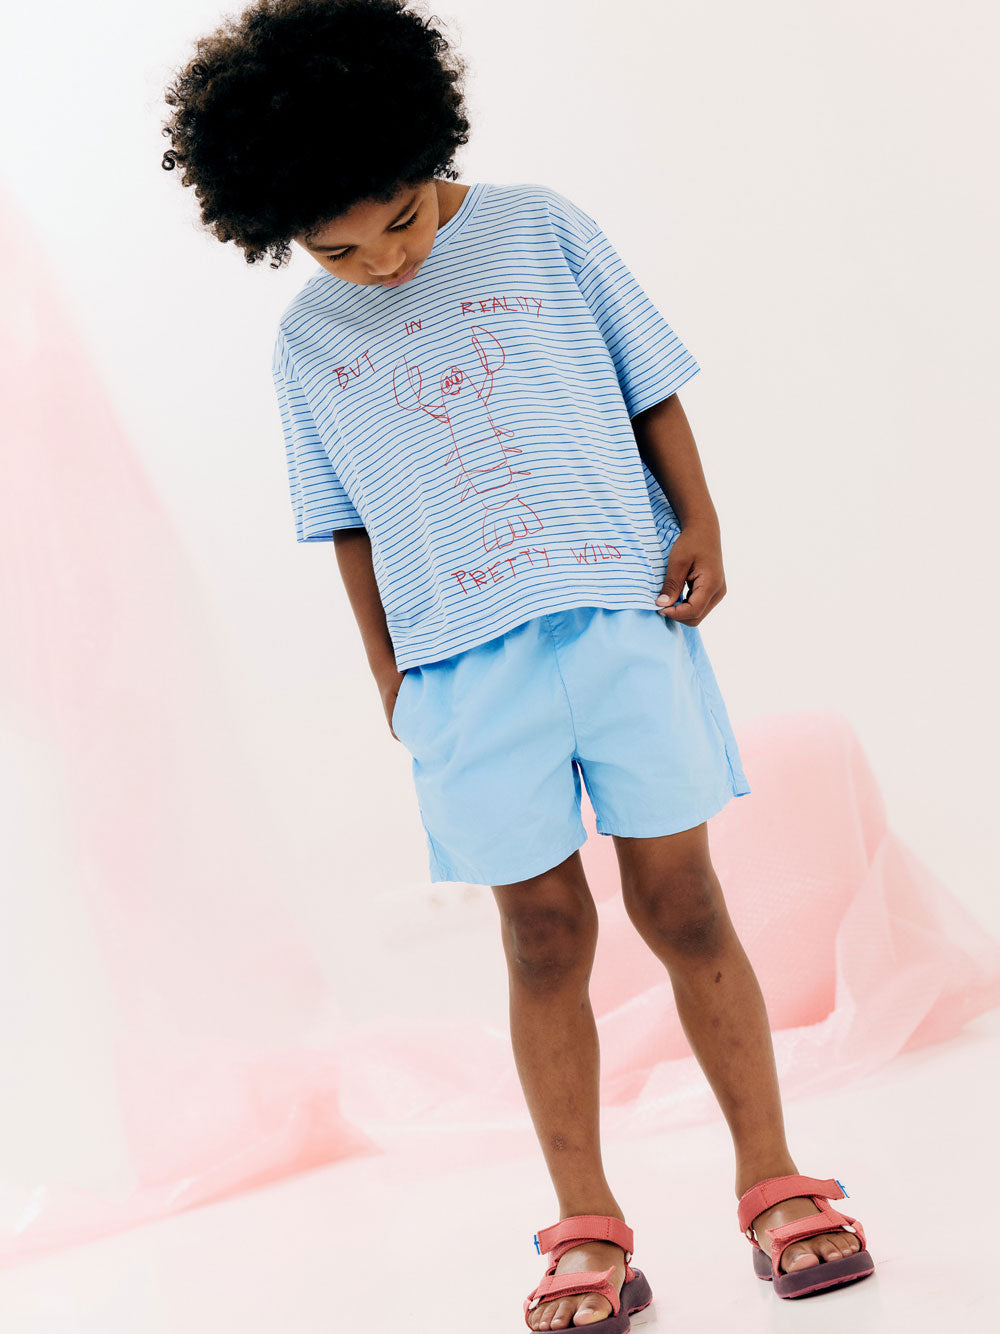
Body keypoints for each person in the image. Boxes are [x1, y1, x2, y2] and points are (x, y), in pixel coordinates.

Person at [161, 0, 875, 1326]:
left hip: (619, 614)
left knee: (686, 904)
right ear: (279, 234)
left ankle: (777, 1181)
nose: (384, 262)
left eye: (401, 221)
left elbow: (647, 383)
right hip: (460, 673)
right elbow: (347, 522)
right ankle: (586, 1227)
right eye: (337, 249)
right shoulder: (308, 341)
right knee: (541, 933)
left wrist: (702, 520)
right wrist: (389, 674)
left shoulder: (542, 228)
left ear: (429, 149)